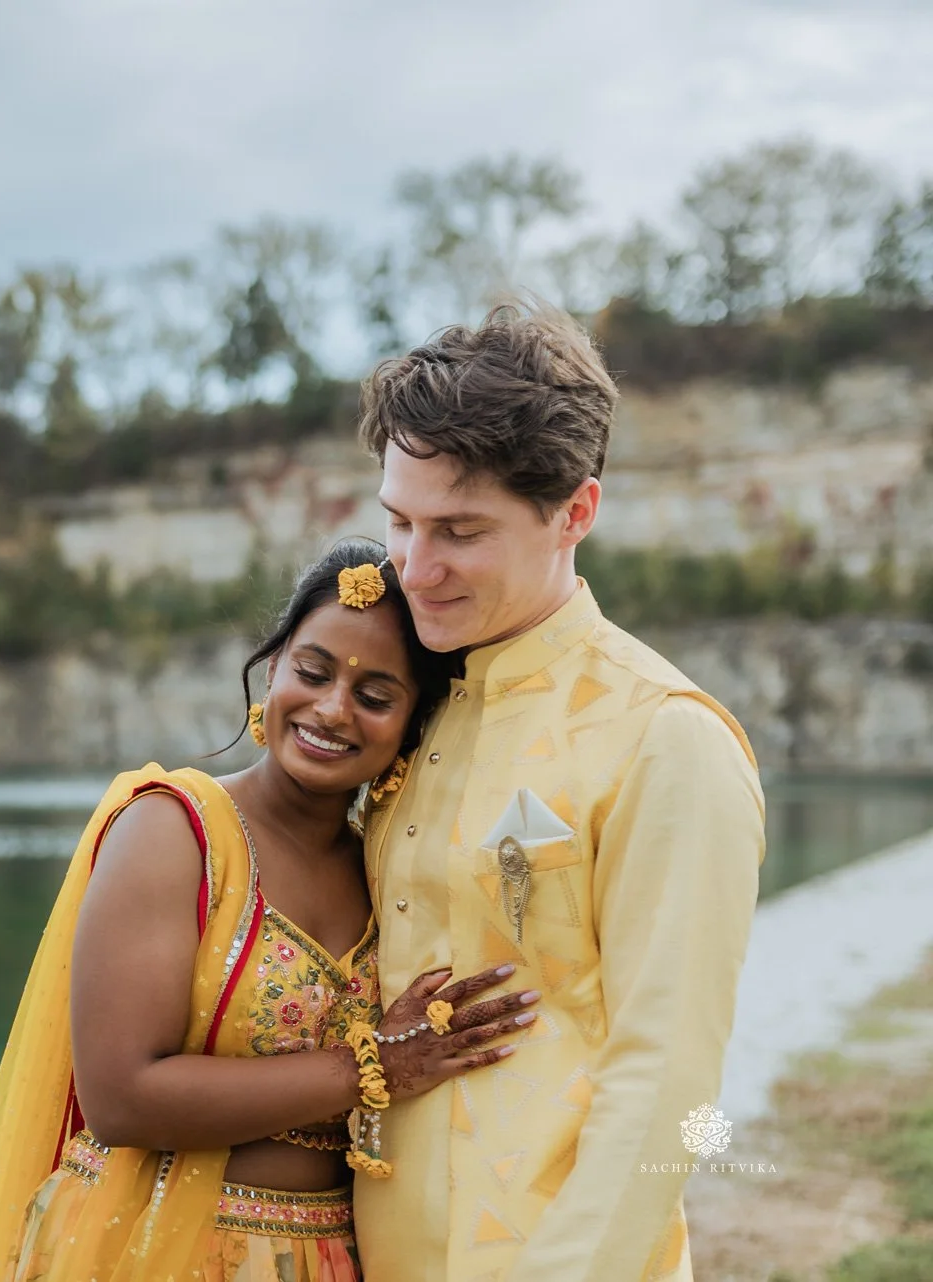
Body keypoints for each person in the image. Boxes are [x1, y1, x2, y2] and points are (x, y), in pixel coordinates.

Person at [0, 539, 541, 1282]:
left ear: (415, 727)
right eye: (312, 672)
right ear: (274, 667)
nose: (330, 709)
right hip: (143, 1250)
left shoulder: (389, 874)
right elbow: (122, 1095)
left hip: (328, 1259)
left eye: (375, 696)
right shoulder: (175, 829)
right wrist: (373, 1066)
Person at [350, 302, 767, 1281]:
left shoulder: (668, 739)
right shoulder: (418, 709)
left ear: (576, 512)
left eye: (461, 530)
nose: (415, 566)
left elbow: (664, 1085)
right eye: (400, 522)